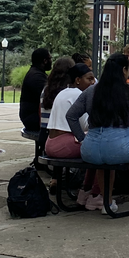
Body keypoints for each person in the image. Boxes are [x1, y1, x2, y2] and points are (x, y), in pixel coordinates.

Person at [66, 53, 129, 214]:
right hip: (120, 145)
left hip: (91, 148)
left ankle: (107, 202)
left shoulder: (91, 91)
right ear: (124, 70)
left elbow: (71, 115)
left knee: (103, 163)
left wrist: (81, 138)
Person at [45, 63, 105, 209]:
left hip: (51, 142)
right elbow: (87, 124)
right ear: (78, 80)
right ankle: (97, 194)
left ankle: (86, 191)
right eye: (89, 79)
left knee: (92, 149)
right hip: (64, 144)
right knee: (102, 150)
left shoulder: (64, 92)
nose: (92, 82)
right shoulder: (79, 95)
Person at [19, 48, 52, 131]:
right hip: (33, 119)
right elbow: (47, 96)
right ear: (45, 61)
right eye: (50, 59)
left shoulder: (36, 73)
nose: (51, 61)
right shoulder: (36, 77)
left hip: (31, 116)